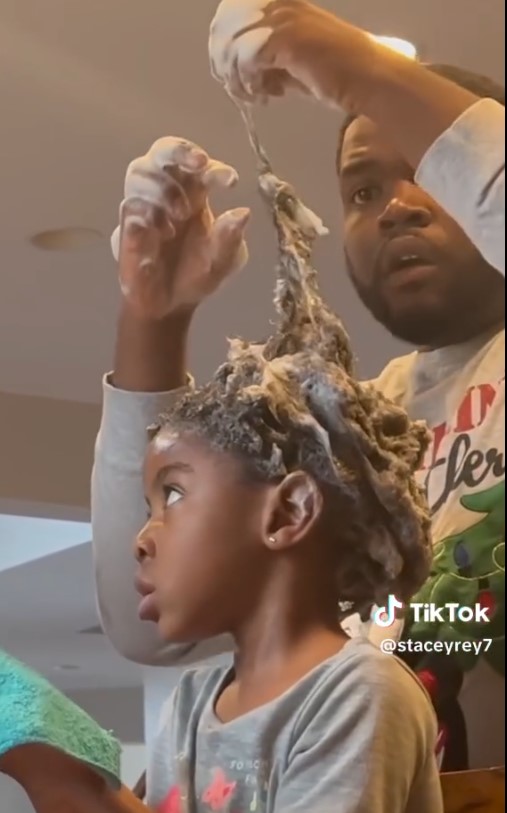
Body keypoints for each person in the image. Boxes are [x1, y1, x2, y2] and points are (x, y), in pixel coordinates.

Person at [92, 0, 505, 771]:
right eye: (362, 191)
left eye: (427, 171)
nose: (396, 208)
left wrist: (362, 71)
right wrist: (153, 318)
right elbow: (146, 620)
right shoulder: (349, 432)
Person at [2, 166, 443, 813]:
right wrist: (59, 763)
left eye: (174, 496)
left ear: (288, 512)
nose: (142, 538)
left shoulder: (357, 694)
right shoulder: (193, 699)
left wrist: (73, 782)